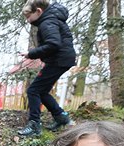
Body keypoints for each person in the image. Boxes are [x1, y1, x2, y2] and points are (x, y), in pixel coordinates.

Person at [18, 0, 76, 137]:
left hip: (59, 60)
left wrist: (31, 54)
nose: (27, 20)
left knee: (33, 90)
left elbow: (53, 44)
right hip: (62, 59)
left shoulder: (47, 22)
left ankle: (34, 125)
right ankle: (61, 117)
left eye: (28, 16)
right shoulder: (52, 18)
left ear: (38, 11)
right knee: (42, 91)